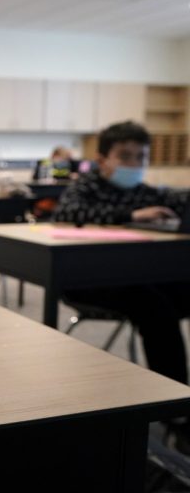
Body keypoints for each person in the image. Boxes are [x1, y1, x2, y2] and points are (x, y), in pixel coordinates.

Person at [54, 121, 190, 386]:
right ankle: (176, 402)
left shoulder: (144, 192)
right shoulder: (85, 187)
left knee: (175, 294)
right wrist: (130, 215)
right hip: (87, 279)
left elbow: (181, 201)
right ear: (102, 160)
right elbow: (66, 213)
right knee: (156, 309)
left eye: (141, 156)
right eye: (125, 156)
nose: (134, 163)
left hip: (137, 274)